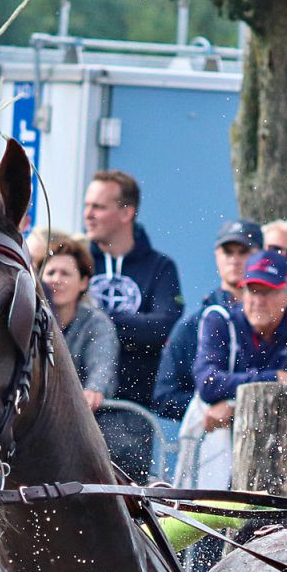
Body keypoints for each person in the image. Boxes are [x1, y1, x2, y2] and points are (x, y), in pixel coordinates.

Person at [186, 249, 287, 487]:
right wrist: (275, 377)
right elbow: (208, 383)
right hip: (219, 450)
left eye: (268, 291)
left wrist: (233, 405)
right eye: (252, 290)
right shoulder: (219, 319)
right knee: (207, 514)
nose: (258, 300)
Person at [82, 168, 182, 417]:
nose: (88, 215)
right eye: (87, 206)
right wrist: (133, 327)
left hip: (132, 409)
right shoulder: (74, 258)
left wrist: (94, 320)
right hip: (76, 400)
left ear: (127, 212)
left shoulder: (160, 267)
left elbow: (162, 327)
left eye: (99, 207)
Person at [153, 218, 261, 425]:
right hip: (211, 446)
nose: (235, 260)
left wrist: (236, 408)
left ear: (261, 256)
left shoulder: (281, 321)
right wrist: (207, 410)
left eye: (244, 252)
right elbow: (165, 396)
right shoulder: (193, 325)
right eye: (228, 252)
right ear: (217, 256)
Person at [38, 233, 117, 414]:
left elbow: (103, 365)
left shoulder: (97, 324)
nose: (56, 279)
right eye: (50, 272)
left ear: (83, 282)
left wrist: (95, 390)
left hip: (79, 419)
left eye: (65, 273)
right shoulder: (27, 317)